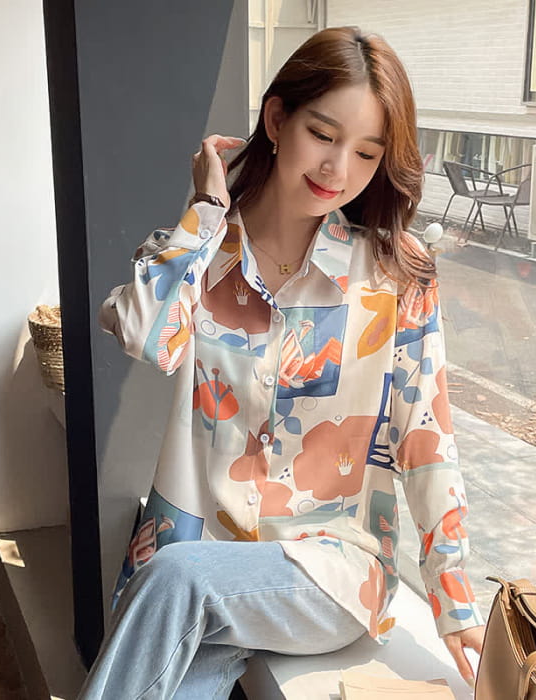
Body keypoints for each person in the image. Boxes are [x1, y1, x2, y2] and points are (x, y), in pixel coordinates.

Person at [79, 25, 485, 700]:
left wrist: (455, 601)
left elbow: (426, 440)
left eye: (367, 153)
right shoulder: (206, 255)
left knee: (177, 576)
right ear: (276, 119)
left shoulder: (394, 274)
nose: (338, 170)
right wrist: (205, 211)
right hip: (208, 558)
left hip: (329, 570)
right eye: (323, 135)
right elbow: (147, 335)